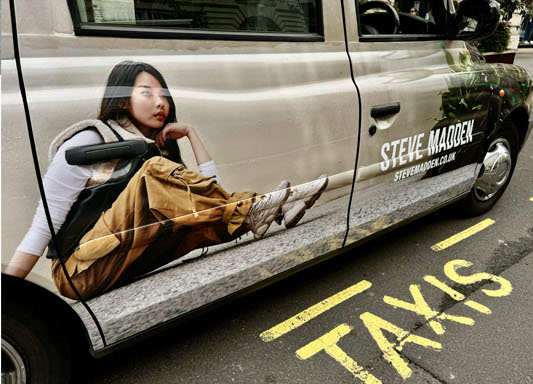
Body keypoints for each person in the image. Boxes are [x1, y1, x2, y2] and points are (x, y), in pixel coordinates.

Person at [3, 61, 328, 301]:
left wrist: (190, 134)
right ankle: (262, 208)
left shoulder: (151, 153)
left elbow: (209, 194)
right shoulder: (91, 140)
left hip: (118, 254)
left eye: (164, 95)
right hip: (77, 270)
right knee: (156, 174)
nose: (160, 102)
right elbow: (42, 228)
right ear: (121, 98)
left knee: (188, 214)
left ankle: (273, 211)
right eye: (147, 92)